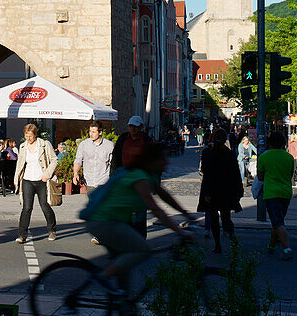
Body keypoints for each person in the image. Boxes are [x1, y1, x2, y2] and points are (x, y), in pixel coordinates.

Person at [84, 141, 197, 297]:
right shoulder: (139, 177)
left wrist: (185, 213)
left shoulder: (147, 174)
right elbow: (156, 209)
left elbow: (164, 195)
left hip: (109, 221)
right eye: (163, 159)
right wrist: (179, 231)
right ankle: (101, 277)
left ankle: (122, 304)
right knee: (142, 250)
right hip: (104, 222)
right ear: (153, 160)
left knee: (123, 266)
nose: (166, 163)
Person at [197, 127, 243, 253]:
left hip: (211, 189)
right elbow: (235, 174)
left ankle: (217, 244)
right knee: (226, 217)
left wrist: (206, 192)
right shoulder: (230, 154)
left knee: (213, 218)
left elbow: (205, 173)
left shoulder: (207, 153)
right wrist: (239, 190)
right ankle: (233, 241)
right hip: (226, 189)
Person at [14, 124, 58, 243]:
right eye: (26, 136)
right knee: (26, 208)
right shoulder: (23, 146)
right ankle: (22, 235)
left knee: (45, 206)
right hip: (27, 179)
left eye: (30, 136)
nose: (28, 138)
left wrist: (47, 174)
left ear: (35, 135)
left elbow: (54, 160)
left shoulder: (44, 144)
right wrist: (16, 179)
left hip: (41, 179)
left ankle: (52, 230)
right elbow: (20, 164)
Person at [74, 122, 114, 244]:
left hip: (104, 180)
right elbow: (78, 160)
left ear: (100, 132)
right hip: (90, 180)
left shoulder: (109, 145)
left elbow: (113, 164)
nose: (91, 134)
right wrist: (75, 173)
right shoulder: (84, 145)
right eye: (90, 131)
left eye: (94, 132)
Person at [257, 130, 294, 260]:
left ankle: (286, 248)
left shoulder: (263, 157)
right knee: (277, 219)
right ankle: (272, 245)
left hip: (271, 192)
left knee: (277, 222)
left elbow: (260, 177)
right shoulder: (288, 157)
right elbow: (290, 175)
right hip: (286, 192)